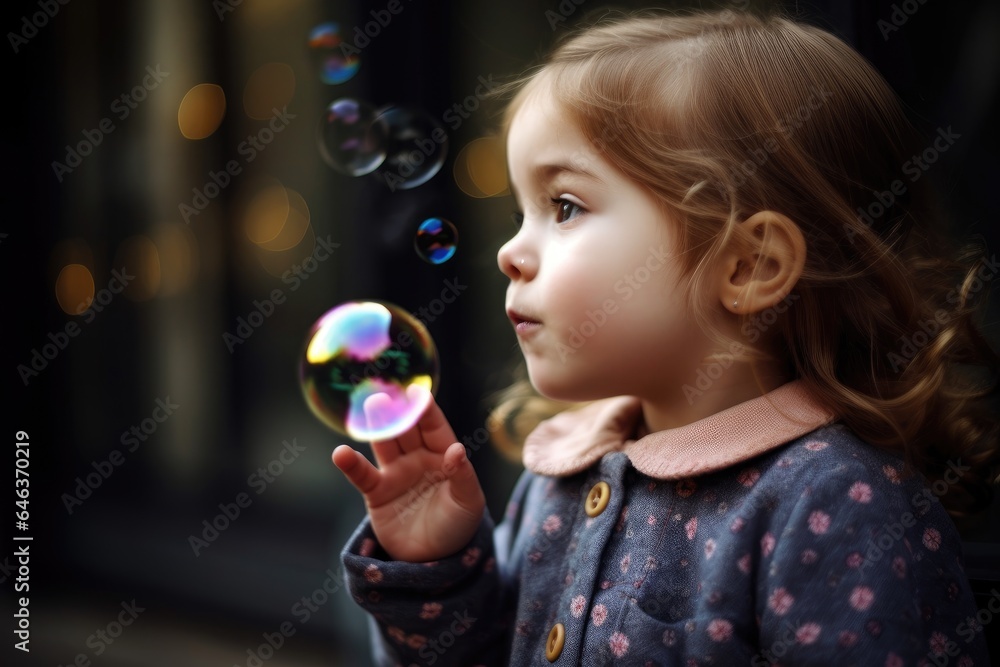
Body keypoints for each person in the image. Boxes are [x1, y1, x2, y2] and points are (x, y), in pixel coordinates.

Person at [331, 8, 999, 665]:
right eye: (519, 212)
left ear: (749, 266)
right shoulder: (565, 472)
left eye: (564, 206)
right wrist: (440, 566)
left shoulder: (834, 501)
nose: (510, 251)